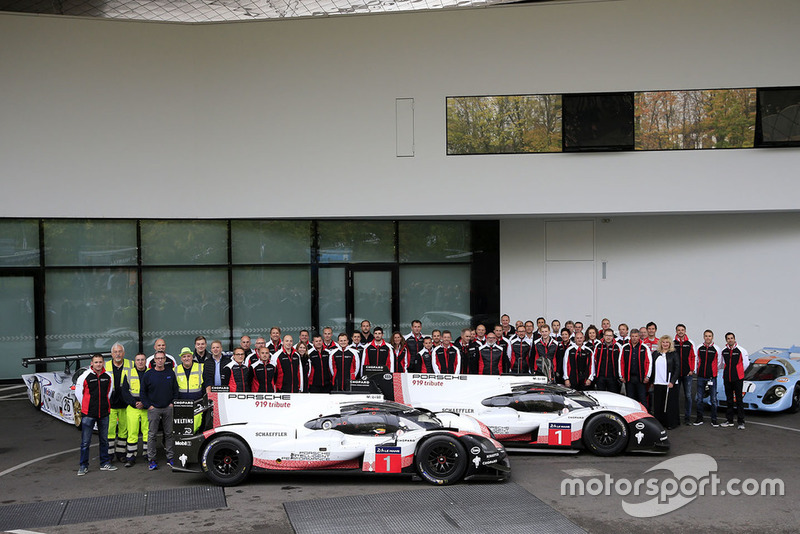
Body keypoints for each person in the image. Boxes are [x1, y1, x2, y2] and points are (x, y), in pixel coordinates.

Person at [75, 354, 116, 475]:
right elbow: (79, 394)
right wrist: (87, 406)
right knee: (85, 442)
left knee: (104, 440)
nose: (98, 364)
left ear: (103, 363)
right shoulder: (84, 377)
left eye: (100, 362)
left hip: (104, 413)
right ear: (91, 363)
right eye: (96, 362)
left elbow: (108, 393)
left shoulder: (108, 377)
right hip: (88, 414)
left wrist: (103, 405)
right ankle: (83, 466)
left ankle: (104, 463)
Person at [140, 351, 178, 471]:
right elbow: (143, 392)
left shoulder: (170, 373)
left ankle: (170, 458)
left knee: (169, 434)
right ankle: (152, 460)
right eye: (158, 358)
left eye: (162, 358)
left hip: (168, 408)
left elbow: (175, 389)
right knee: (152, 435)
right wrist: (148, 405)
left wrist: (172, 403)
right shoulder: (148, 374)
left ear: (165, 359)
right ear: (154, 360)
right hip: (154, 409)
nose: (160, 360)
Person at [105, 342, 132, 463]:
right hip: (110, 404)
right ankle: (109, 455)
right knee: (110, 430)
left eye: (120, 351)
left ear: (124, 353)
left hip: (125, 403)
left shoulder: (130, 364)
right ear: (111, 354)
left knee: (123, 429)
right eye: (115, 352)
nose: (118, 354)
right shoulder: (105, 365)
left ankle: (121, 453)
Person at [121, 353, 148, 467]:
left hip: (146, 407)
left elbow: (153, 391)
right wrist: (133, 403)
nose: (140, 362)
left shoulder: (150, 372)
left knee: (148, 432)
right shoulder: (128, 373)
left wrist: (145, 403)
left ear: (145, 361)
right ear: (135, 362)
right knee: (132, 432)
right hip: (132, 407)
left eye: (142, 360)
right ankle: (130, 457)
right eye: (138, 360)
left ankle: (148, 455)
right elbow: (125, 392)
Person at [693, 329, 723, 427]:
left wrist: (713, 372)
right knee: (699, 399)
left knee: (713, 399)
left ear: (712, 337)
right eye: (706, 336)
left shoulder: (717, 348)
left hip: (712, 378)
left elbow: (719, 362)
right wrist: (697, 371)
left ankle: (714, 420)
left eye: (709, 336)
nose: (708, 338)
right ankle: (699, 418)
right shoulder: (699, 347)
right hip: (701, 377)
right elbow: (696, 360)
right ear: (703, 337)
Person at [721, 332, 749, 429]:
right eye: (728, 338)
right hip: (727, 379)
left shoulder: (741, 350)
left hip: (738, 379)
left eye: (731, 338)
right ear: (726, 340)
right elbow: (722, 363)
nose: (730, 340)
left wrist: (739, 373)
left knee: (739, 400)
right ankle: (730, 420)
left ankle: (741, 422)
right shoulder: (724, 351)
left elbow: (746, 364)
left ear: (734, 339)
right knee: (729, 400)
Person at [651, 335, 680, 429]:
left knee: (669, 405)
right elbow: (652, 368)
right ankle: (659, 423)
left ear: (670, 343)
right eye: (663, 342)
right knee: (659, 404)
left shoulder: (674, 353)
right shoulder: (655, 353)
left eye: (667, 342)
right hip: (658, 382)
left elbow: (677, 368)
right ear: (660, 343)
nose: (665, 344)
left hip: (669, 383)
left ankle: (671, 423)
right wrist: (652, 380)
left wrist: (672, 381)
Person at [619, 330, 652, 407]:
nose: (634, 338)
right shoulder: (625, 347)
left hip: (641, 378)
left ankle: (644, 416)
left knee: (642, 398)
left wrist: (647, 376)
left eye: (636, 336)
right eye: (633, 336)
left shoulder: (644, 347)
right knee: (630, 398)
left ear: (639, 337)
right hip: (629, 378)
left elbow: (649, 362)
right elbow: (621, 362)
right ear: (630, 337)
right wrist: (621, 375)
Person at [175, 347, 203, 432]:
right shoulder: (175, 369)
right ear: (181, 358)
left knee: (196, 424)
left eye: (188, 356)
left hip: (197, 402)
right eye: (184, 356)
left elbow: (206, 383)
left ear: (192, 357)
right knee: (183, 425)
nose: (186, 358)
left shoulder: (201, 367)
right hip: (182, 403)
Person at [673, 324, 696, 425]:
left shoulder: (690, 343)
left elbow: (693, 357)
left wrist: (692, 370)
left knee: (688, 396)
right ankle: (676, 418)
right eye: (679, 330)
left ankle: (687, 418)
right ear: (676, 331)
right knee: (675, 396)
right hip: (676, 375)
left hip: (687, 374)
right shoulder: (673, 343)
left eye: (682, 330)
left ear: (685, 331)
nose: (681, 332)